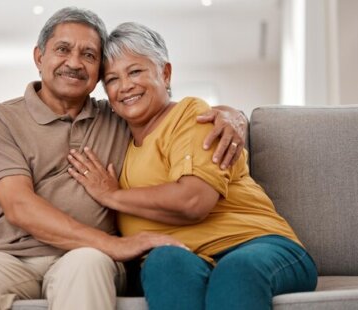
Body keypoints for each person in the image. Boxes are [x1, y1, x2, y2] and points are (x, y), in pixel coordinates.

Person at [0, 7, 247, 310]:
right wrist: (117, 245)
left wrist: (233, 116)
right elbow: (20, 207)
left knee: (86, 266)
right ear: (39, 57)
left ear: (98, 71)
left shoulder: (119, 116)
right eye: (63, 49)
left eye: (88, 55)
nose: (74, 63)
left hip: (88, 254)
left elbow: (172, 113)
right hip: (10, 255)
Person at [65, 22, 318, 310]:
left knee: (235, 271)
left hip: (256, 245)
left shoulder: (191, 116)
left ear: (165, 73)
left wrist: (112, 196)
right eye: (112, 79)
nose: (125, 86)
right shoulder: (118, 138)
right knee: (162, 261)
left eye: (135, 71)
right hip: (183, 256)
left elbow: (193, 201)